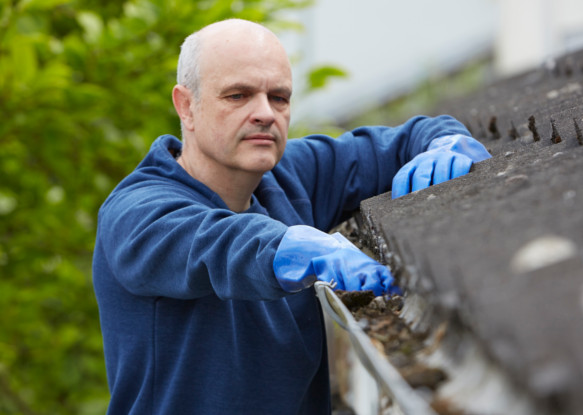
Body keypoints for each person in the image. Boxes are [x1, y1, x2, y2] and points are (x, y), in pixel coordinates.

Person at [92, 18, 491, 414]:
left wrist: (446, 141)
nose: (265, 113)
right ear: (186, 106)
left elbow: (406, 139)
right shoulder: (136, 214)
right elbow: (214, 242)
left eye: (279, 97)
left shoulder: (290, 177)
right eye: (238, 95)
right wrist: (290, 247)